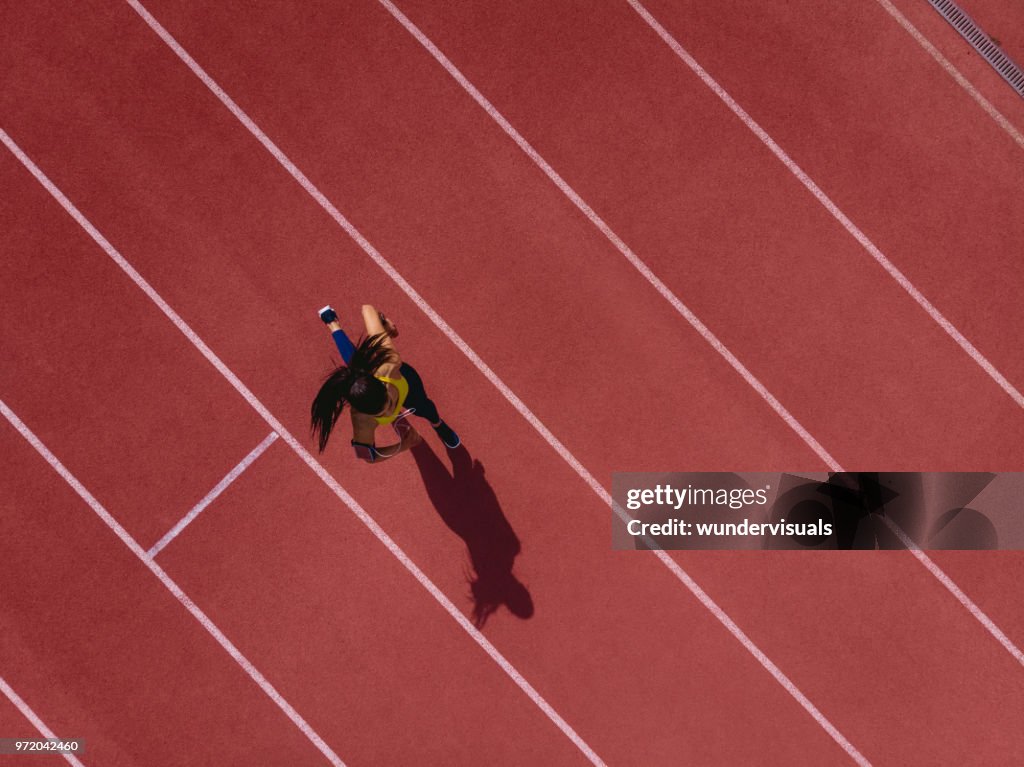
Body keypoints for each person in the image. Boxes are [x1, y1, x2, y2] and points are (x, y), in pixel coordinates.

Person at [311, 304, 460, 463]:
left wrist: (385, 324)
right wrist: (403, 445)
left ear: (382, 386)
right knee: (354, 366)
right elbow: (369, 456)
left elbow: (367, 309)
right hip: (382, 384)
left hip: (404, 380)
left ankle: (438, 425)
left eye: (389, 404)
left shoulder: (390, 363)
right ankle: (331, 322)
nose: (390, 413)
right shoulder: (361, 421)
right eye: (381, 414)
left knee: (425, 407)